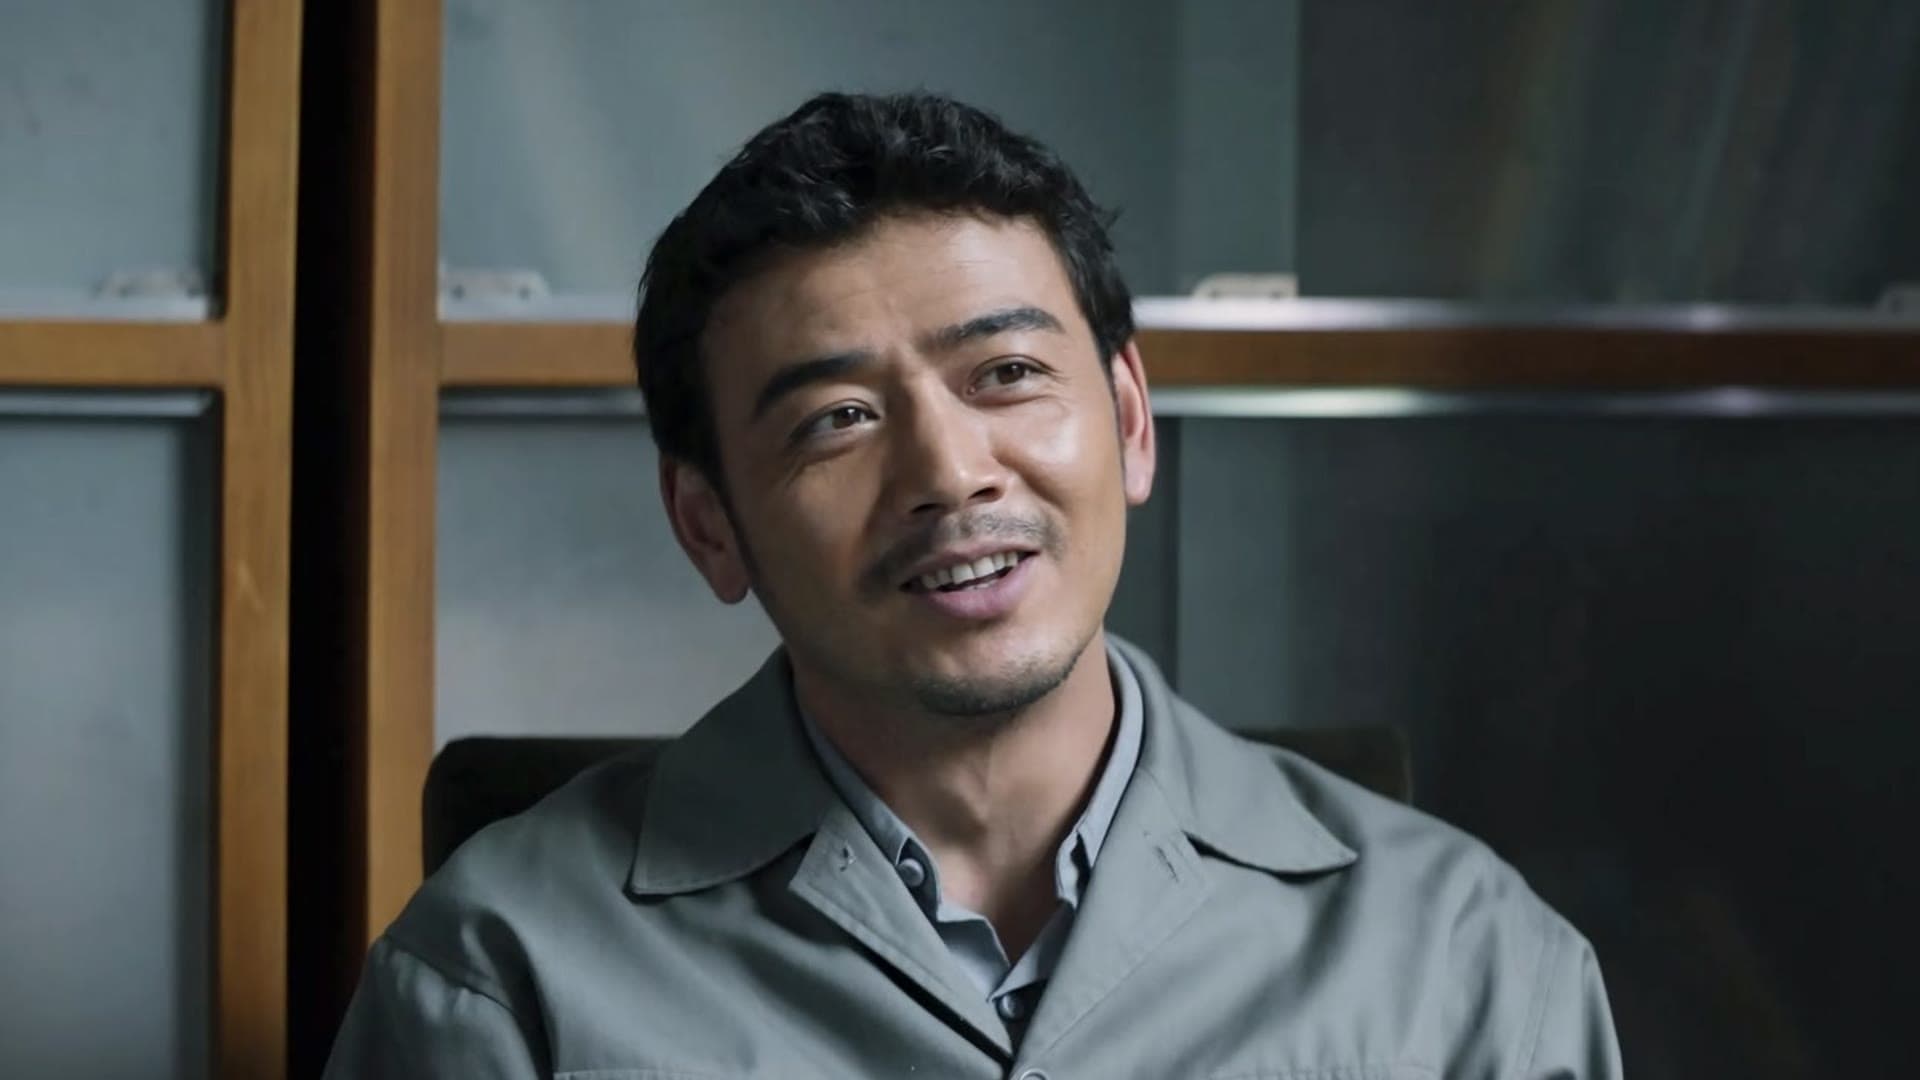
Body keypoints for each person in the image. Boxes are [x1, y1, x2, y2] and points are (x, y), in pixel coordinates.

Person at [325, 91, 1622, 1078]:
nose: (949, 473)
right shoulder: (502, 982)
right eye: (836, 418)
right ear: (709, 526)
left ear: (1130, 422)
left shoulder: (1467, 959)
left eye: (1006, 375)